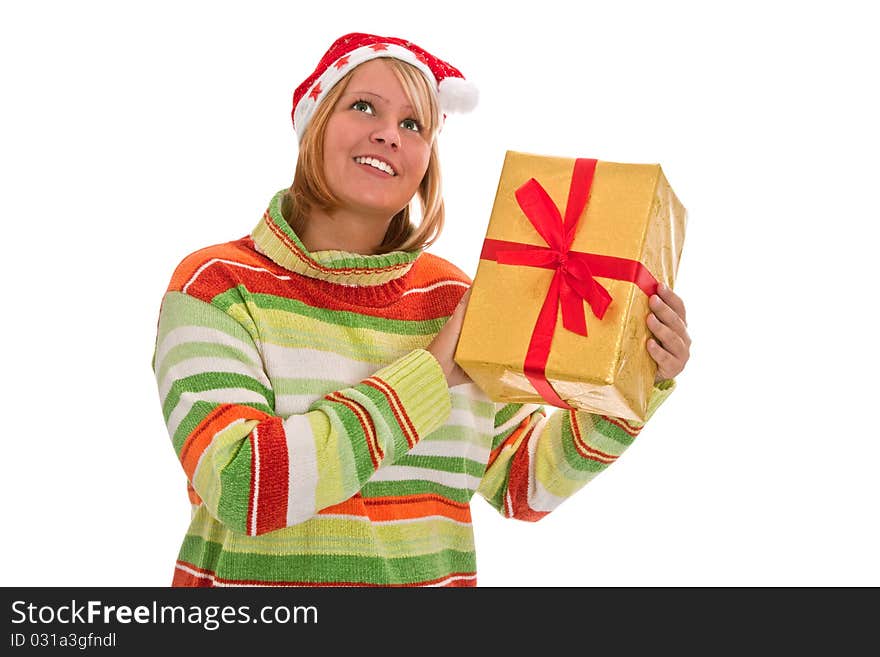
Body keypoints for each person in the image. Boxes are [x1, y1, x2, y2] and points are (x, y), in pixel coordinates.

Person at [151, 32, 691, 587]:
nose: (388, 134)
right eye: (363, 106)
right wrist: (430, 374)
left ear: (427, 160)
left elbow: (522, 483)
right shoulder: (216, 285)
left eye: (414, 125)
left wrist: (634, 379)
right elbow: (246, 488)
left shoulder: (454, 299)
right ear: (314, 123)